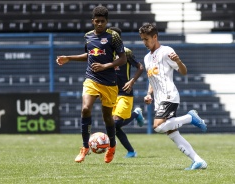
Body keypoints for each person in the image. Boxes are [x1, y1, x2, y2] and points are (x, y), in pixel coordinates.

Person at [56, 6, 127, 163]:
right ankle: (84, 148)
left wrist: (105, 66)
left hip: (109, 82)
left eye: (103, 21)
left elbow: (123, 59)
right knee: (85, 109)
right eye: (97, 21)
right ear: (92, 21)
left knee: (107, 117)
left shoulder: (113, 36)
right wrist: (69, 57)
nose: (100, 23)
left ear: (107, 21)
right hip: (92, 79)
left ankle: (112, 146)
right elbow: (89, 55)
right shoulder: (88, 36)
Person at [139, 23, 208, 170]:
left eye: (146, 39)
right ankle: (198, 160)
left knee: (157, 127)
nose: (144, 42)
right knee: (171, 133)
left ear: (155, 37)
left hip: (169, 95)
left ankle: (190, 117)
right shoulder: (147, 58)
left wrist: (178, 61)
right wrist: (148, 94)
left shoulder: (166, 51)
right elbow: (152, 79)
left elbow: (183, 71)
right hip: (159, 100)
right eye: (142, 39)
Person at [108, 27, 145, 158]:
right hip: (111, 93)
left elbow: (140, 67)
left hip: (125, 92)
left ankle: (136, 114)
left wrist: (132, 81)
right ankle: (131, 151)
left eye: (113, 36)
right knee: (114, 127)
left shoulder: (126, 52)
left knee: (115, 123)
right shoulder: (106, 52)